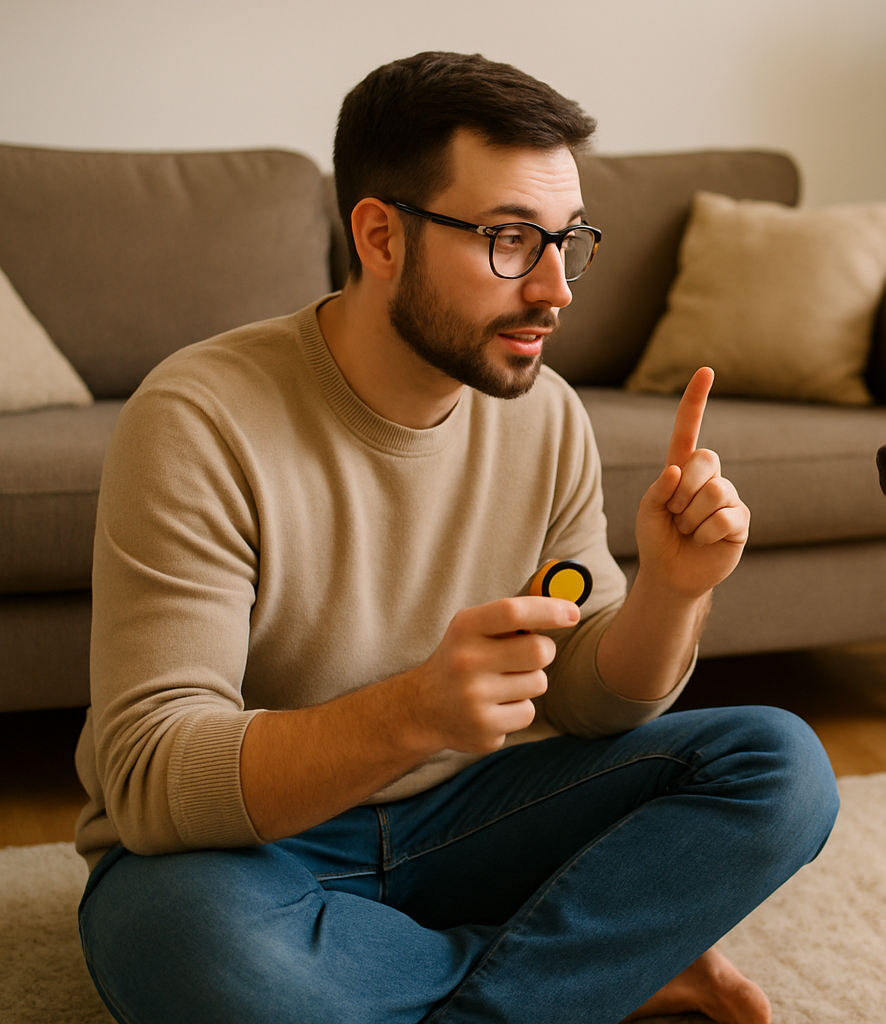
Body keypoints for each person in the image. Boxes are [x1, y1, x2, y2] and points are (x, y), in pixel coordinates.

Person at [73, 51, 839, 1024]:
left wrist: (673, 591)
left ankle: (425, 980)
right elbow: (147, 776)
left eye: (569, 241)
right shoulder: (198, 418)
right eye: (513, 240)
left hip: (472, 817)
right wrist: (414, 713)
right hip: (252, 852)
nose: (557, 289)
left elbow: (591, 698)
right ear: (380, 235)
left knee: (779, 767)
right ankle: (588, 975)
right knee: (197, 953)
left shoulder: (546, 414)